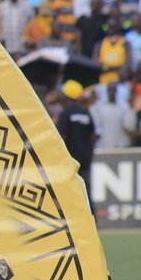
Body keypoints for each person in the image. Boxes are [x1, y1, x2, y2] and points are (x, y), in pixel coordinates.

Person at [56, 80, 96, 210]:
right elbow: (93, 135)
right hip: (85, 157)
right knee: (85, 188)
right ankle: (92, 216)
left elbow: (60, 137)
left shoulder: (66, 113)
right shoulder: (86, 112)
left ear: (66, 96)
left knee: (68, 189)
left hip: (70, 157)